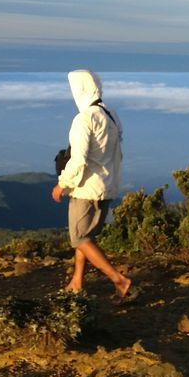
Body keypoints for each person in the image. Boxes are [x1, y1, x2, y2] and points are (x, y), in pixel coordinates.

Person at [52, 69, 133, 300]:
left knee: (79, 238)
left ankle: (120, 280)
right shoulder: (111, 115)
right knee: (86, 236)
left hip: (86, 188)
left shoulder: (84, 119)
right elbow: (116, 153)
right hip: (107, 186)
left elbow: (79, 159)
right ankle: (77, 281)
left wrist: (62, 184)